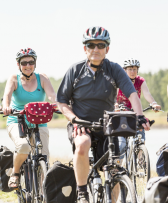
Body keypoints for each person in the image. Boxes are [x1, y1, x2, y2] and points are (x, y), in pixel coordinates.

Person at [56, 26, 150, 202]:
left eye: (100, 45)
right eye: (91, 45)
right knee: (83, 143)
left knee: (113, 167)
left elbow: (132, 94)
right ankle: (82, 192)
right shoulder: (75, 70)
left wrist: (139, 116)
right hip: (81, 124)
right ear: (85, 48)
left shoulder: (114, 69)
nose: (96, 49)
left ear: (107, 48)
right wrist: (75, 120)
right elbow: (61, 102)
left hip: (107, 125)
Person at [2, 48, 57, 189]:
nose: (28, 65)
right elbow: (7, 96)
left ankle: (42, 191)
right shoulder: (14, 79)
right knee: (23, 146)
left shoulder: (42, 78)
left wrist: (56, 104)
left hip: (39, 121)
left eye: (31, 62)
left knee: (44, 155)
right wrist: (6, 106)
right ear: (18, 64)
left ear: (35, 63)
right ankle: (15, 174)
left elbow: (52, 96)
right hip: (17, 120)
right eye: (24, 62)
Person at [116, 57, 161, 141]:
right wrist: (115, 104)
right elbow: (114, 96)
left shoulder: (140, 81)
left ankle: (140, 152)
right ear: (124, 70)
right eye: (130, 69)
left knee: (141, 138)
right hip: (121, 112)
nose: (132, 72)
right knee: (121, 143)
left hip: (136, 113)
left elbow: (147, 94)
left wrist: (154, 103)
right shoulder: (120, 81)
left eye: (134, 69)